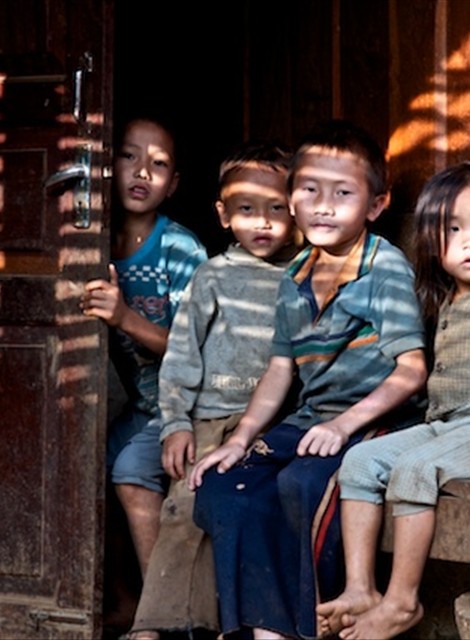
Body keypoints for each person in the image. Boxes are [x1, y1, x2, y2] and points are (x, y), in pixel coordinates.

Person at [189, 121, 428, 640]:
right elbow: (281, 368)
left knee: (304, 484)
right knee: (225, 488)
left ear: (376, 205)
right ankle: (265, 630)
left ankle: (318, 624)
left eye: (342, 194)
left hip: (378, 422)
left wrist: (343, 426)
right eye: (310, 190)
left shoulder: (382, 269)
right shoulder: (295, 275)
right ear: (292, 198)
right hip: (312, 420)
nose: (323, 206)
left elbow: (412, 369)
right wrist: (239, 438)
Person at [316, 161, 470, 640]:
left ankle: (402, 601)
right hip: (448, 427)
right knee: (358, 462)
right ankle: (360, 589)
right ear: (431, 240)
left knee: (415, 469)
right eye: (453, 230)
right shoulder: (446, 299)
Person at [128, 142, 300, 639]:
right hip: (207, 421)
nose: (262, 222)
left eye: (276, 209)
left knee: (251, 516)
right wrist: (176, 424)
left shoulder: (303, 274)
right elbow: (181, 354)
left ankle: (235, 624)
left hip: (271, 424)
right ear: (223, 215)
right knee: (183, 511)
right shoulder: (213, 276)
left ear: (295, 210)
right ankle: (152, 626)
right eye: (246, 209)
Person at [81, 116, 207, 587]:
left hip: (182, 406)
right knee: (84, 466)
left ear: (173, 184)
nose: (142, 172)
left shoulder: (179, 249)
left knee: (131, 472)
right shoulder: (90, 243)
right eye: (129, 156)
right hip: (140, 407)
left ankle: (162, 609)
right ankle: (117, 600)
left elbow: (197, 348)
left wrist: (124, 318)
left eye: (159, 164)